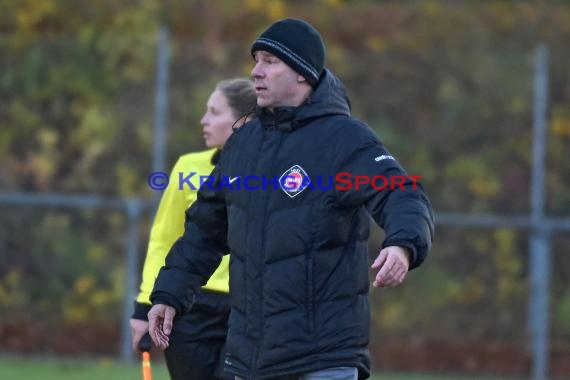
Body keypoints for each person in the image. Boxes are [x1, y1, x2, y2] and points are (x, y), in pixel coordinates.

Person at [148, 18, 435, 380]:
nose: (256, 71)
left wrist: (403, 245)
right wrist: (169, 295)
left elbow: (401, 192)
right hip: (248, 360)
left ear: (302, 73)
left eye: (270, 61)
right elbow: (204, 232)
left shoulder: (343, 140)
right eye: (256, 60)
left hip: (321, 360)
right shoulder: (243, 143)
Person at [130, 78, 257, 380]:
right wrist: (144, 304)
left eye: (214, 112)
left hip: (246, 308)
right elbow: (164, 239)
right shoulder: (188, 166)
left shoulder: (266, 172)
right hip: (189, 307)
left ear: (243, 119)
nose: (204, 120)